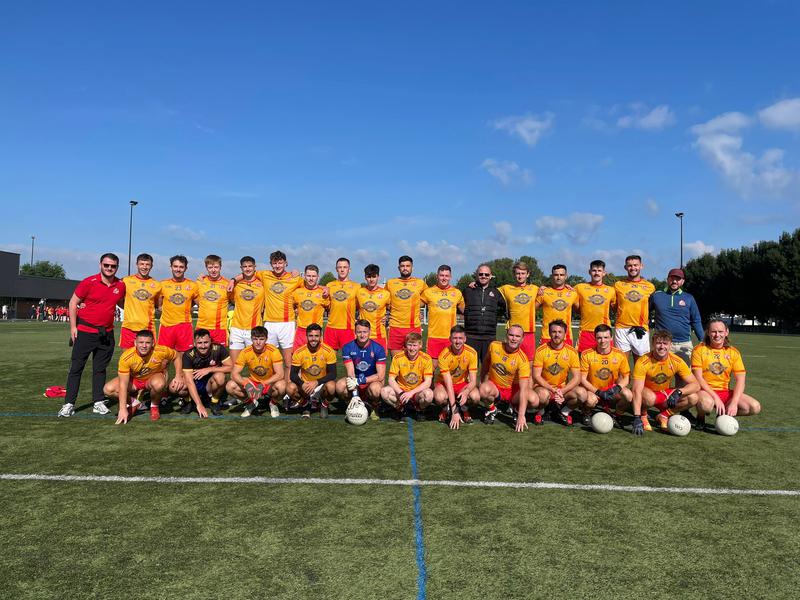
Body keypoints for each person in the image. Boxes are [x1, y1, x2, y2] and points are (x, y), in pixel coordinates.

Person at [58, 253, 125, 418]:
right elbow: (73, 302)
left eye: (113, 266)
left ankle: (98, 402)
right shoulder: (89, 282)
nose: (109, 268)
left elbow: (124, 303)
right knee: (76, 369)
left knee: (100, 369)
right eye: (106, 265)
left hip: (106, 334)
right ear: (100, 265)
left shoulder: (120, 285)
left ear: (117, 267)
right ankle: (68, 404)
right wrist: (73, 327)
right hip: (85, 332)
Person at [691, 318, 761, 430]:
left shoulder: (733, 352)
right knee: (706, 404)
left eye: (720, 331)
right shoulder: (699, 350)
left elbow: (740, 380)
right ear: (708, 332)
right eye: (713, 331)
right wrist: (715, 398)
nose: (717, 335)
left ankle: (722, 415)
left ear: (726, 332)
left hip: (724, 392)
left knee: (754, 407)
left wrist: (734, 402)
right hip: (704, 391)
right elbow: (698, 378)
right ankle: (700, 416)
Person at [630, 329, 700, 435]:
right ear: (653, 343)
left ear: (670, 345)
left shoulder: (677, 361)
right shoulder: (643, 361)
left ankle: (664, 415)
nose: (662, 347)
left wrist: (679, 392)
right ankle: (643, 415)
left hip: (664, 394)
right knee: (650, 397)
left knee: (693, 397)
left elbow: (696, 385)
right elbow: (636, 391)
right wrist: (636, 417)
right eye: (658, 343)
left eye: (665, 343)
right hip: (647, 394)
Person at [107, 329, 183, 423]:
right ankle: (134, 402)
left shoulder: (160, 350)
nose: (144, 346)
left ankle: (154, 406)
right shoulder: (126, 357)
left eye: (147, 343)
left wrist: (178, 375)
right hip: (134, 381)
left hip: (152, 379)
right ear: (135, 343)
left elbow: (176, 356)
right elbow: (123, 384)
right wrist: (123, 409)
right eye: (141, 342)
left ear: (153, 343)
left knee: (159, 384)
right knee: (109, 389)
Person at [529, 320, 585, 426]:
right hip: (544, 388)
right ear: (549, 333)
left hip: (562, 390)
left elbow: (577, 378)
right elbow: (536, 376)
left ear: (565, 333)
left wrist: (562, 391)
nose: (556, 335)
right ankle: (541, 412)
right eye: (553, 332)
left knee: (582, 394)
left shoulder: (572, 352)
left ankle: (564, 412)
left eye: (560, 332)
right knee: (543, 394)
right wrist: (552, 390)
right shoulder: (541, 350)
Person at [225, 326, 286, 418]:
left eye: (261, 339)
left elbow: (280, 374)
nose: (258, 342)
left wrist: (263, 384)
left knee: (282, 386)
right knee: (230, 386)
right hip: (253, 383)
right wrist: (246, 384)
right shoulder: (245, 352)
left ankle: (273, 403)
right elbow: (234, 374)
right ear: (251, 339)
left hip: (269, 383)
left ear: (266, 339)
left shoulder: (274, 351)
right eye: (255, 339)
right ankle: (250, 403)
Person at [580, 324, 632, 427]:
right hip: (593, 391)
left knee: (628, 395)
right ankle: (586, 413)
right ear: (595, 338)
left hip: (611, 391)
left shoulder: (620, 355)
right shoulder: (587, 354)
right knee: (590, 400)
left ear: (611, 338)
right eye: (599, 338)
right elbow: (582, 379)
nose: (602, 341)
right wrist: (597, 391)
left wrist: (617, 388)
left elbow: (626, 377)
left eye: (606, 337)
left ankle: (617, 415)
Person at [479, 324, 530, 427]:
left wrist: (521, 415)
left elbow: (524, 389)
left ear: (522, 339)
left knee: (533, 399)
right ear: (506, 335)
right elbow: (485, 364)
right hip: (496, 387)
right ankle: (492, 409)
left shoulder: (523, 359)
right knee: (483, 389)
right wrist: (483, 381)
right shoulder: (494, 346)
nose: (514, 339)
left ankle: (515, 409)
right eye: (511, 335)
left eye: (517, 336)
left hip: (513, 392)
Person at [336, 319, 387, 419]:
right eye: (359, 332)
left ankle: (374, 406)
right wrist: (355, 394)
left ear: (369, 332)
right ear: (355, 332)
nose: (362, 335)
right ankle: (351, 404)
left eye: (365, 332)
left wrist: (360, 381)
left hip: (371, 382)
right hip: (355, 380)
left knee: (376, 389)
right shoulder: (348, 347)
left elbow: (380, 376)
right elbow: (350, 372)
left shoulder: (378, 348)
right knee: (340, 386)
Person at [651, 268, 704, 364]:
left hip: (683, 344)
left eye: (678, 279)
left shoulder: (689, 298)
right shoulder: (657, 296)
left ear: (682, 281)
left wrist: (702, 339)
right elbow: (645, 312)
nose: (674, 281)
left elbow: (696, 320)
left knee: (684, 377)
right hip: (662, 343)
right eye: (672, 278)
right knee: (661, 376)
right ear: (667, 280)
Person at [176, 328, 232, 417]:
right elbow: (189, 381)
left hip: (210, 384)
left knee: (220, 377)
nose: (203, 346)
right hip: (195, 383)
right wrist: (199, 404)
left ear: (210, 341)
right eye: (199, 343)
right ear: (194, 343)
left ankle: (214, 402)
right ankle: (188, 401)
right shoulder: (188, 355)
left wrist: (209, 369)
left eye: (206, 342)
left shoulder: (219, 349)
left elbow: (230, 367)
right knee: (175, 386)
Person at [433, 325, 480, 429]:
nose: (457, 341)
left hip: (461, 383)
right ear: (450, 339)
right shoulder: (444, 356)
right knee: (440, 397)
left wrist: (466, 391)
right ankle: (446, 408)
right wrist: (455, 411)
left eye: (460, 338)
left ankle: (464, 408)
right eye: (455, 338)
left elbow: (473, 381)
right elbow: (449, 384)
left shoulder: (472, 353)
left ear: (465, 339)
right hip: (444, 384)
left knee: (476, 397)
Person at [287, 323, 338, 418]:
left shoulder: (328, 351)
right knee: (290, 388)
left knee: (331, 386)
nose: (313, 339)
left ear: (320, 337)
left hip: (321, 385)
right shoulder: (299, 352)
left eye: (316, 336)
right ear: (306, 336)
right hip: (305, 386)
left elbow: (333, 374)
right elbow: (293, 374)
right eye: (310, 336)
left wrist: (317, 382)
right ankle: (306, 405)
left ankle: (324, 405)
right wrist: (302, 383)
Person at [381, 332, 434, 420]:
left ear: (420, 345)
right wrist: (401, 393)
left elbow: (428, 382)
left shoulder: (426, 359)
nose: (412, 348)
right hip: (401, 391)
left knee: (429, 395)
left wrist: (411, 393)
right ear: (405, 345)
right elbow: (391, 379)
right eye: (409, 345)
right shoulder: (398, 357)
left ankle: (418, 409)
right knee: (384, 392)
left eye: (414, 345)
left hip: (417, 393)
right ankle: (400, 408)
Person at [420, 264, 464, 368]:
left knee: (451, 369)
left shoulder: (457, 293)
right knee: (431, 369)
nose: (444, 278)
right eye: (441, 275)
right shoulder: (428, 292)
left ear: (450, 277)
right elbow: (414, 305)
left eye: (446, 276)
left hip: (451, 337)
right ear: (437, 276)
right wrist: (418, 313)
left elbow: (465, 310)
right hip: (434, 337)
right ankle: (431, 385)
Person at [497, 261, 539, 366]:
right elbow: (488, 291)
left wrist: (566, 286)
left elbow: (553, 291)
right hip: (512, 333)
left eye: (523, 273)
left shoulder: (535, 289)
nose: (520, 276)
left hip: (528, 331)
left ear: (528, 274)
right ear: (514, 274)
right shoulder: (505, 288)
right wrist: (475, 284)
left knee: (529, 365)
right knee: (509, 363)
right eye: (517, 273)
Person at [463, 264, 506, 365]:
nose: (484, 276)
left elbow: (506, 307)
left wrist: (494, 316)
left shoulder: (496, 292)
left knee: (487, 371)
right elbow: (458, 307)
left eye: (486, 274)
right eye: (481, 274)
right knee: (468, 369)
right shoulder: (468, 290)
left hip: (489, 337)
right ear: (477, 275)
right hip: (470, 337)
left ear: (490, 276)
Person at [614, 255, 656, 358]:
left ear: (641, 266)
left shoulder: (650, 286)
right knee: (621, 368)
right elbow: (614, 305)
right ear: (625, 267)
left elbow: (651, 306)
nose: (633, 268)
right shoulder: (618, 285)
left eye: (635, 265)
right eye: (630, 266)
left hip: (640, 329)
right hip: (621, 329)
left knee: (641, 367)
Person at [386, 255, 428, 355]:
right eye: (402, 266)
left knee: (414, 363)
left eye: (408, 266)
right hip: (395, 327)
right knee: (396, 362)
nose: (405, 268)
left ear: (412, 267)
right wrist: (385, 314)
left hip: (413, 327)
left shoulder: (420, 283)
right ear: (398, 268)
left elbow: (430, 298)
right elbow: (384, 301)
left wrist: (418, 307)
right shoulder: (390, 283)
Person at [157, 255, 198, 355]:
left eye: (181, 267)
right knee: (164, 360)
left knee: (184, 359)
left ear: (185, 268)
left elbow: (199, 304)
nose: (178, 269)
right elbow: (159, 306)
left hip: (184, 327)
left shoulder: (193, 285)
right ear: (171, 267)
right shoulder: (162, 284)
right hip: (167, 327)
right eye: (175, 266)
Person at [228, 256, 265, 364]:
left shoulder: (262, 284)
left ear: (255, 267)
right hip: (237, 329)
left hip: (254, 329)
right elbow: (230, 300)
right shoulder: (236, 285)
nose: (247, 269)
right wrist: (233, 280)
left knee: (256, 365)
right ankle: (235, 381)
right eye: (245, 266)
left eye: (250, 266)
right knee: (235, 364)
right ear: (241, 268)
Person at [573, 260, 616, 353]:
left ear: (604, 273)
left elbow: (616, 308)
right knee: (582, 363)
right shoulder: (579, 288)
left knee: (605, 363)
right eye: (594, 270)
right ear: (589, 272)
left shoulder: (611, 290)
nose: (596, 273)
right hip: (586, 331)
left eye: (599, 271)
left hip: (604, 332)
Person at [323, 257, 360, 351]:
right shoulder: (329, 285)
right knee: (329, 360)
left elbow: (362, 305)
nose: (342, 269)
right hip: (332, 327)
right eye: (340, 267)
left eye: (345, 267)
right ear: (336, 269)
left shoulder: (357, 286)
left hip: (348, 328)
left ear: (349, 269)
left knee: (351, 361)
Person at [536, 264, 578, 345]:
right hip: (547, 336)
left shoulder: (573, 293)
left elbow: (580, 310)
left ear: (566, 276)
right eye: (556, 275)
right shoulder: (544, 292)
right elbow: (532, 309)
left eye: (561, 275)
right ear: (552, 276)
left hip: (566, 336)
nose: (559, 277)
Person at [195, 255, 231, 346]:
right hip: (202, 326)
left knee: (218, 358)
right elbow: (194, 299)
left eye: (216, 267)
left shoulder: (227, 284)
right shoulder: (199, 282)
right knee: (200, 358)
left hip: (219, 328)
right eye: (210, 267)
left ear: (220, 267)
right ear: (206, 268)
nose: (213, 270)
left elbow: (235, 301)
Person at [292, 265, 329, 351]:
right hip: (301, 332)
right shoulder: (297, 292)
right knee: (297, 361)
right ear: (304, 276)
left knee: (317, 362)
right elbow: (292, 306)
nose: (311, 279)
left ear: (318, 277)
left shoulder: (323, 293)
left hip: (316, 332)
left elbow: (331, 308)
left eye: (313, 276)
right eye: (308, 276)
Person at [355, 264, 391, 350]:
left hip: (379, 335)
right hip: (362, 335)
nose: (371, 279)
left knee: (380, 363)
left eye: (374, 276)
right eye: (369, 277)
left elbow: (394, 308)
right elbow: (352, 307)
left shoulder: (386, 294)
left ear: (378, 276)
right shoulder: (359, 292)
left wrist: (388, 316)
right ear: (365, 277)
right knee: (362, 363)